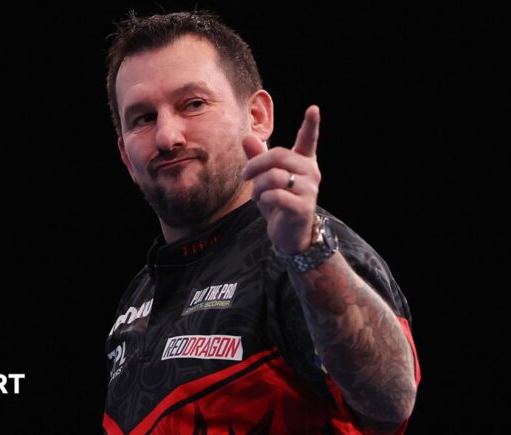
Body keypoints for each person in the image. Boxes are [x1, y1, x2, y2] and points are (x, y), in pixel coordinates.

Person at [102, 11, 420, 434]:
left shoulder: (304, 251)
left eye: (193, 104)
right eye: (143, 118)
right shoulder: (137, 297)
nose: (167, 136)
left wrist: (307, 251)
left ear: (257, 116)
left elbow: (392, 397)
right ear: (125, 156)